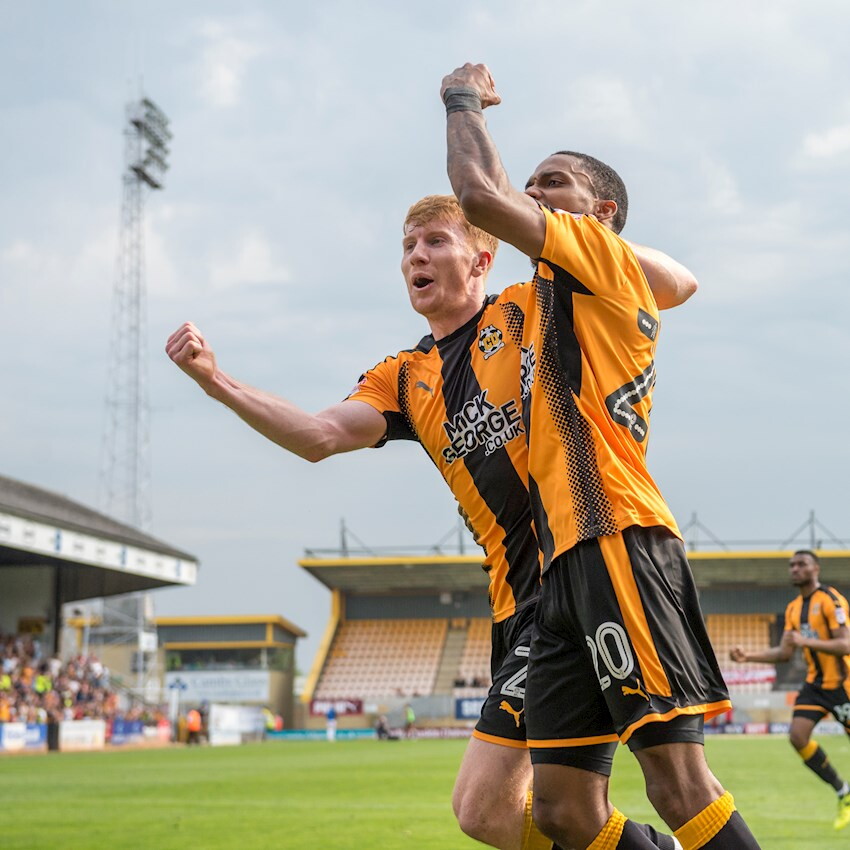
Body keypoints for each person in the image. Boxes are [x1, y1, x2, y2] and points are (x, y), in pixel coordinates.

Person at [166, 194, 692, 850]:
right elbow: (319, 434)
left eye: (437, 241)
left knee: (492, 804)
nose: (417, 255)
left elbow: (672, 285)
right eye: (409, 246)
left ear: (482, 259)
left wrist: (565, 235)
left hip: (577, 576)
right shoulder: (405, 376)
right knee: (526, 813)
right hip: (513, 606)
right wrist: (217, 382)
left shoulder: (530, 307)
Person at [440, 62, 760, 850]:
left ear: (602, 213)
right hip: (562, 566)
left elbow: (481, 196)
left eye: (554, 182)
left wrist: (462, 100)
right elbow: (681, 281)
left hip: (612, 532)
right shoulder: (556, 294)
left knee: (678, 784)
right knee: (562, 812)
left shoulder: (598, 258)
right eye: (533, 183)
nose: (535, 192)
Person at [730, 549, 850, 830]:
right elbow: (785, 653)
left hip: (844, 685)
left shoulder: (831, 600)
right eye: (792, 565)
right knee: (797, 736)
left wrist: (804, 642)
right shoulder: (794, 609)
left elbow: (845, 644)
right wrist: (748, 657)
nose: (795, 569)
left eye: (801, 564)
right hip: (816, 686)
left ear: (816, 568)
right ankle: (843, 792)